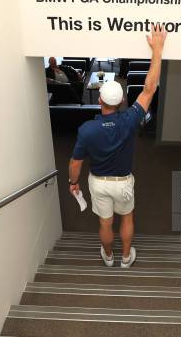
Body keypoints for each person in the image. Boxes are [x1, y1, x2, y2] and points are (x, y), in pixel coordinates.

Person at [68, 24, 167, 268]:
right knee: (127, 217)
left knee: (104, 223)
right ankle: (125, 258)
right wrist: (158, 49)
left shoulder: (86, 130)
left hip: (98, 183)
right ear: (123, 100)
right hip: (122, 182)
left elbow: (75, 163)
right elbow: (149, 88)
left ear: (99, 99)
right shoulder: (130, 119)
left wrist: (73, 183)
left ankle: (109, 257)